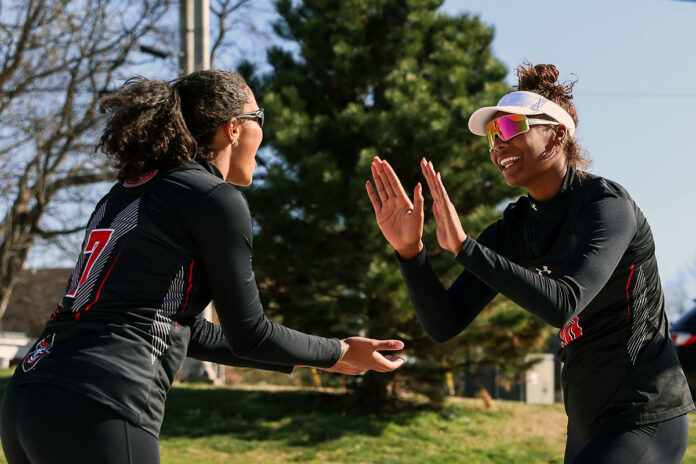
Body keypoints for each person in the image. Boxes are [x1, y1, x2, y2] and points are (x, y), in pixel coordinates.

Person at [0, 70, 404, 464]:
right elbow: (251, 334)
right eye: (259, 118)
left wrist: (325, 356)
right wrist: (339, 350)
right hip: (101, 401)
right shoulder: (214, 198)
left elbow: (182, 329)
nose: (264, 132)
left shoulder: (123, 193)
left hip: (27, 397)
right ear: (233, 128)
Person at [366, 62, 693, 463]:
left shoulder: (606, 206)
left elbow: (563, 303)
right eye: (491, 135)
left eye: (508, 129)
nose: (497, 145)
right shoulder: (514, 228)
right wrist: (410, 253)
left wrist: (466, 249)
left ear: (556, 134)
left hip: (645, 416)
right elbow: (444, 323)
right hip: (585, 423)